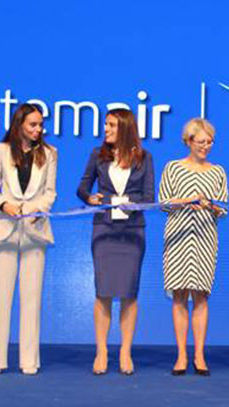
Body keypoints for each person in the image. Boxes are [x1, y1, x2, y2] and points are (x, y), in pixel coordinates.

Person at [77, 109, 154, 376]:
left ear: (125, 128)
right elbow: (82, 188)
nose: (106, 129)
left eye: (111, 125)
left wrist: (128, 203)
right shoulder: (97, 155)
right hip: (104, 231)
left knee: (129, 294)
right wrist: (89, 198)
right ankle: (101, 351)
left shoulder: (144, 157)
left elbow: (148, 197)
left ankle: (125, 351)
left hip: (132, 232)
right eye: (106, 124)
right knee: (103, 292)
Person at [0, 103, 57, 375]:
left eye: (40, 125)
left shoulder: (50, 153)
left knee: (32, 299)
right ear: (19, 125)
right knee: (0, 298)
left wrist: (38, 210)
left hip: (35, 232)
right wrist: (4, 205)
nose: (38, 130)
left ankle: (29, 360)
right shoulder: (0, 150)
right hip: (4, 230)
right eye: (33, 125)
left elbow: (50, 193)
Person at [158, 118, 228, 376]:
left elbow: (223, 209)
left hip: (205, 238)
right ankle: (181, 355)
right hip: (177, 237)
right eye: (201, 141)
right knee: (179, 296)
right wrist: (187, 200)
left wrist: (211, 206)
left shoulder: (218, 171)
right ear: (188, 141)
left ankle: (199, 355)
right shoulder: (173, 167)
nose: (205, 146)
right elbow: (163, 202)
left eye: (210, 142)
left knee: (200, 296)